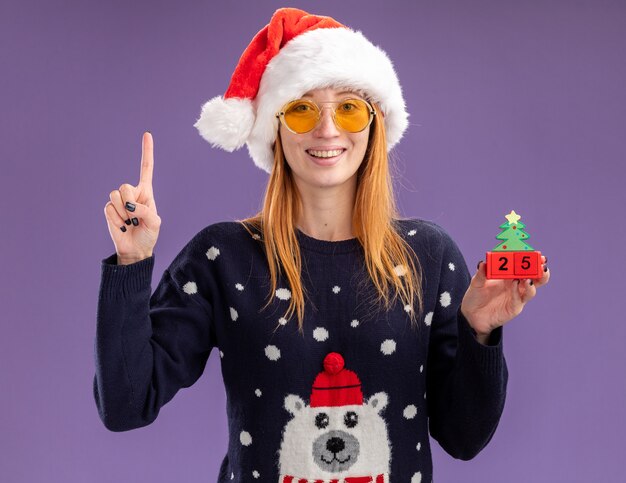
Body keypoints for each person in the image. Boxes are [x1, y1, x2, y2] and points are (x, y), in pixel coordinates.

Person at [95, 7, 550, 483]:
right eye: (302, 108)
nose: (327, 129)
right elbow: (126, 404)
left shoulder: (427, 256)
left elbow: (466, 437)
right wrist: (132, 260)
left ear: (374, 125)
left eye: (349, 108)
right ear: (276, 128)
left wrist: (479, 331)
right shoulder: (222, 257)